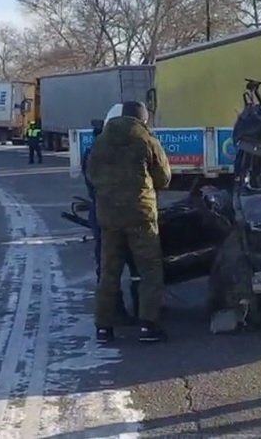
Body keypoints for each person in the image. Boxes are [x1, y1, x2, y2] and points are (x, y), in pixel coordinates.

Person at [86, 101, 171, 344]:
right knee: (149, 269)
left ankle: (104, 327)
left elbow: (91, 175)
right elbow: (163, 178)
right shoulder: (146, 140)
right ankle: (148, 325)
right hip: (140, 214)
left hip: (109, 215)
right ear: (142, 119)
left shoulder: (101, 141)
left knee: (109, 271)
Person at [81, 119, 140, 324]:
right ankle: (145, 311)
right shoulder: (132, 149)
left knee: (107, 267)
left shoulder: (92, 154)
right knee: (140, 265)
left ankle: (110, 316)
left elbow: (91, 183)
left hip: (102, 213)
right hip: (132, 212)